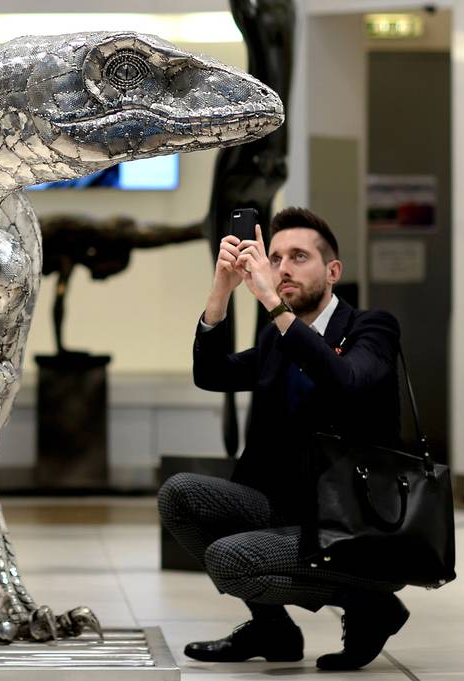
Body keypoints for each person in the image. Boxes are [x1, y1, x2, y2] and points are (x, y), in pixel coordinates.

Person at [158, 207, 409, 671]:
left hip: (352, 522)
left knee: (229, 560)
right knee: (179, 495)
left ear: (332, 272)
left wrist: (276, 306)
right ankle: (272, 627)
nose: (282, 268)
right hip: (285, 507)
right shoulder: (277, 337)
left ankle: (369, 602)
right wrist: (222, 289)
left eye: (298, 256)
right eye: (274, 258)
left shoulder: (371, 328)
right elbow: (211, 374)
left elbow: (347, 380)